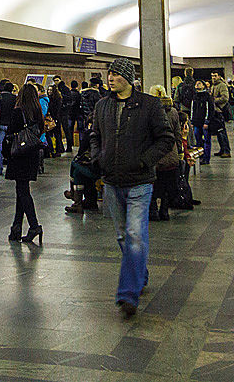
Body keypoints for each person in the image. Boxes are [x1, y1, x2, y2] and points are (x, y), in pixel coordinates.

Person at [91, 58, 174, 318]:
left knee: (135, 234)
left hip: (139, 183)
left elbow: (166, 139)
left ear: (128, 77)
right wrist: (98, 158)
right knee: (122, 237)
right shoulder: (102, 106)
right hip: (112, 182)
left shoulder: (149, 105)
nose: (110, 78)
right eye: (109, 74)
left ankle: (128, 293)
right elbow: (94, 135)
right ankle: (140, 272)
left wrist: (144, 161)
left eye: (115, 74)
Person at [3, 83, 45, 243]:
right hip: (32, 153)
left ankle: (34, 226)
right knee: (21, 190)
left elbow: (10, 132)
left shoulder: (18, 111)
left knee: (23, 192)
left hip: (19, 154)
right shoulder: (37, 111)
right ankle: (16, 227)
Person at [147, 85, 181, 221]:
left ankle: (153, 210)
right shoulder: (173, 111)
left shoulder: (150, 112)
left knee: (153, 184)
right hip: (171, 153)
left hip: (155, 153)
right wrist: (179, 151)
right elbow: (177, 133)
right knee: (167, 184)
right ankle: (164, 211)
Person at [0, 80, 16, 177]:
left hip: (0, 124)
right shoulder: (14, 98)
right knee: (12, 146)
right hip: (11, 125)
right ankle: (11, 169)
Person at [190, 80, 213, 165]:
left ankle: (206, 158)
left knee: (207, 140)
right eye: (196, 83)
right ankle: (201, 156)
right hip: (196, 122)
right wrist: (192, 121)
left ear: (203, 86)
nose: (197, 85)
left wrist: (207, 121)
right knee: (198, 140)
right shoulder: (195, 96)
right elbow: (193, 109)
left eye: (199, 83)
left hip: (204, 122)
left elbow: (209, 109)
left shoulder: (207, 96)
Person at [209, 72, 231, 158]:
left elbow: (225, 98)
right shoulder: (213, 85)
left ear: (219, 76)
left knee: (222, 132)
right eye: (212, 76)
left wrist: (214, 100)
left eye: (215, 76)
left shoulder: (222, 85)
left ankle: (226, 150)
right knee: (218, 132)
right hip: (215, 111)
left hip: (219, 111)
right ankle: (222, 149)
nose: (213, 77)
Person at [54, 75, 74, 154]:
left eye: (57, 80)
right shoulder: (54, 88)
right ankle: (60, 147)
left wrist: (62, 96)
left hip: (64, 112)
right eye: (55, 80)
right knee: (58, 130)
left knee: (66, 129)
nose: (56, 82)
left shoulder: (65, 88)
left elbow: (69, 99)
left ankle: (69, 146)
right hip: (58, 112)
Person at [46, 84, 64, 157]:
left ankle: (57, 150)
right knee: (51, 135)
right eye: (48, 90)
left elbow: (58, 110)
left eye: (51, 90)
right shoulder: (48, 98)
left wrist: (55, 119)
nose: (49, 91)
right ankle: (52, 150)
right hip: (51, 119)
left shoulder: (57, 99)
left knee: (57, 135)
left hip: (55, 119)